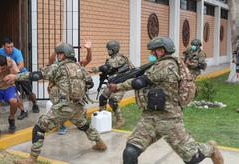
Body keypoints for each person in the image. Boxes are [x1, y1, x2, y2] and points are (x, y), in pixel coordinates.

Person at [109, 36, 224, 164]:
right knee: (130, 152)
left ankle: (210, 148)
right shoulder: (156, 64)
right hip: (150, 118)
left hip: (169, 119)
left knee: (193, 158)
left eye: (154, 50)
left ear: (162, 51)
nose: (151, 53)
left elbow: (140, 82)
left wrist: (117, 86)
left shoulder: (167, 65)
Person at [4, 42, 107, 163]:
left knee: (39, 128)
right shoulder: (80, 68)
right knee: (84, 125)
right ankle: (100, 143)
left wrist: (16, 77)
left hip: (62, 107)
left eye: (59, 53)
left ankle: (32, 159)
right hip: (77, 106)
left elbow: (36, 75)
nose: (58, 55)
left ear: (63, 54)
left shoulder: (58, 67)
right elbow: (90, 84)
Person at [48, 40, 92, 135]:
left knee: (78, 107)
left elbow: (87, 60)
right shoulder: (57, 65)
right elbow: (50, 62)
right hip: (60, 92)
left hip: (74, 94)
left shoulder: (75, 65)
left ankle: (81, 122)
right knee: (60, 106)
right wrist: (56, 50)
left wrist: (89, 50)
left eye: (61, 53)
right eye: (58, 53)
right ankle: (61, 124)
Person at [90, 40, 132, 128]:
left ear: (114, 49)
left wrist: (94, 70)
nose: (108, 51)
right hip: (113, 82)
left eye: (109, 50)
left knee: (113, 101)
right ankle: (102, 117)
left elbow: (106, 67)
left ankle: (120, 120)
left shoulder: (119, 58)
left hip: (121, 83)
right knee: (102, 98)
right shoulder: (112, 59)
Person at [0, 37, 40, 120]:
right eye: (8, 47)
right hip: (11, 75)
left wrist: (14, 75)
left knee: (29, 93)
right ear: (3, 46)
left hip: (22, 74)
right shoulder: (1, 51)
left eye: (12, 46)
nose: (10, 49)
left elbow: (21, 65)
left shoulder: (17, 52)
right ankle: (23, 111)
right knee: (16, 94)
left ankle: (35, 104)